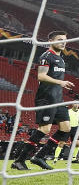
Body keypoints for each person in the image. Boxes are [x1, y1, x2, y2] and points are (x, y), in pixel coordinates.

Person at [11, 31, 75, 170]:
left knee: (66, 128)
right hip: (46, 98)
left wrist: (61, 84)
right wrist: (61, 82)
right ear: (51, 41)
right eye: (59, 39)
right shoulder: (46, 56)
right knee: (44, 129)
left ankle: (39, 156)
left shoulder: (62, 59)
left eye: (65, 40)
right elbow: (41, 76)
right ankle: (19, 160)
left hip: (58, 99)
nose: (63, 42)